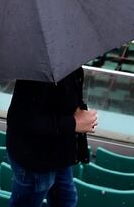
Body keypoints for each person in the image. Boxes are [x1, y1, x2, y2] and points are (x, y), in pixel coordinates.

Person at [6, 68, 94, 207]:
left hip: (57, 149)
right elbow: (23, 120)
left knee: (67, 199)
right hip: (35, 158)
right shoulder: (38, 71)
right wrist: (74, 123)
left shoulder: (63, 61)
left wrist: (78, 111)